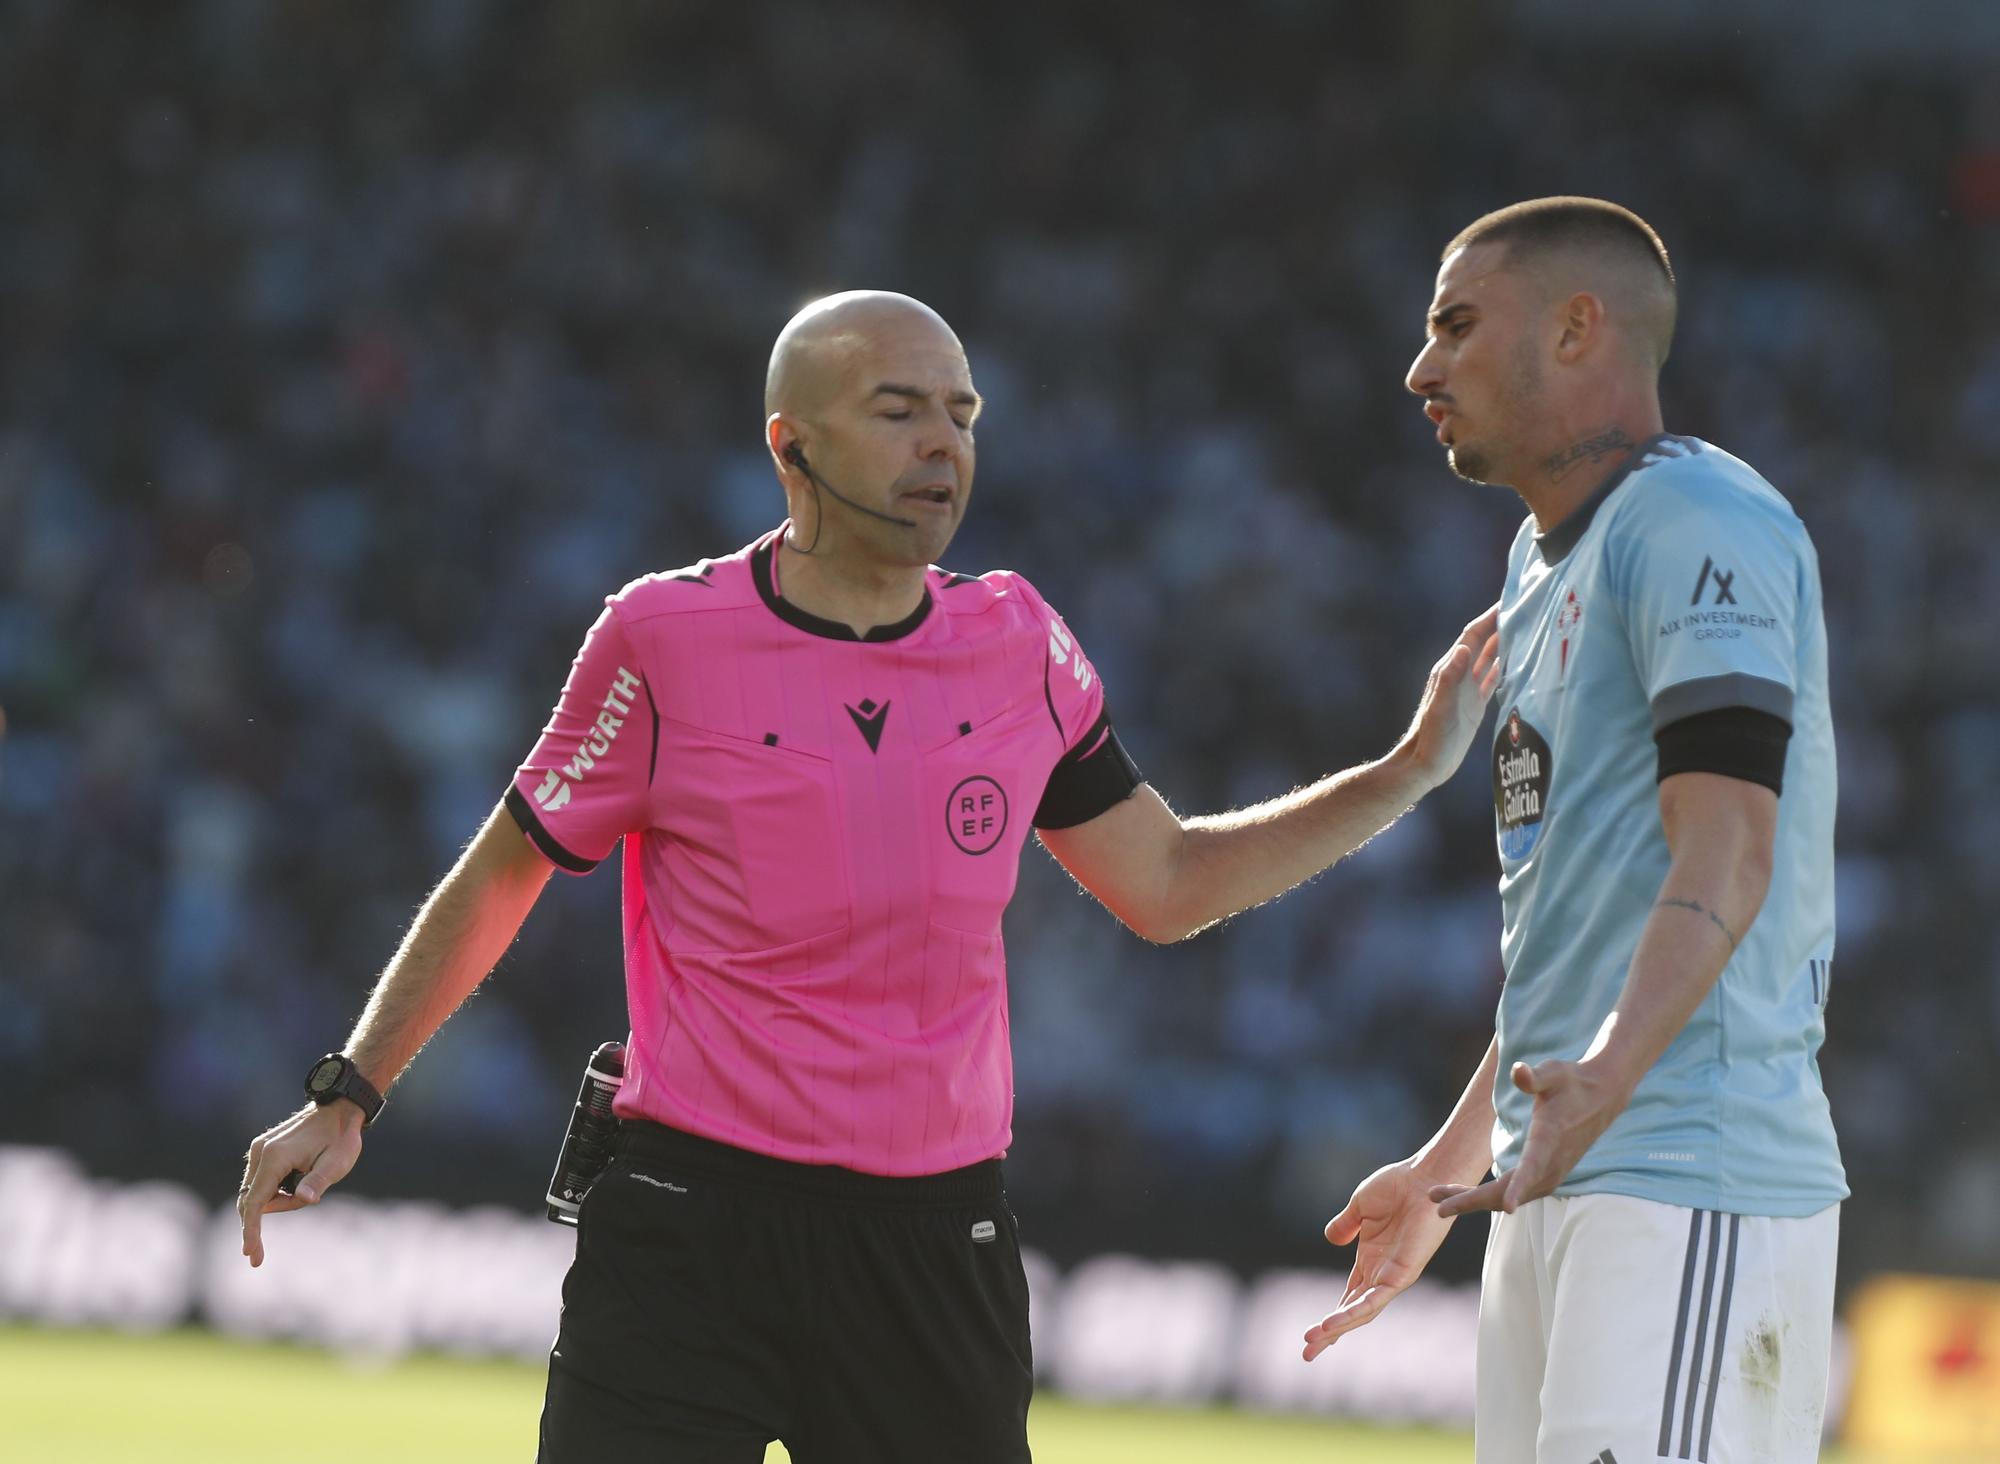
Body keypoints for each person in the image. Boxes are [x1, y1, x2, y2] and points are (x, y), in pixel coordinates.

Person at [237, 290, 1500, 1462]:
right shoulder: (661, 638)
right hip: (690, 1226)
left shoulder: (1017, 640)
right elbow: (505, 870)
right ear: (791, 446)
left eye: (960, 414)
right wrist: (349, 1092)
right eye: (897, 411)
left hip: (931, 1247)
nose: (941, 444)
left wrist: (1400, 772)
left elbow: (1163, 881)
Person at [1302, 198, 1844, 1463]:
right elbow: (1578, 933)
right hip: (1562, 1171)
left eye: (1454, 323)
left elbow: (1728, 845)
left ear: (1576, 326)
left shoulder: (1698, 522)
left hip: (1685, 1169)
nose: (1418, 367)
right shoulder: (1539, 563)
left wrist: (1605, 1082)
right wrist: (1451, 1164)